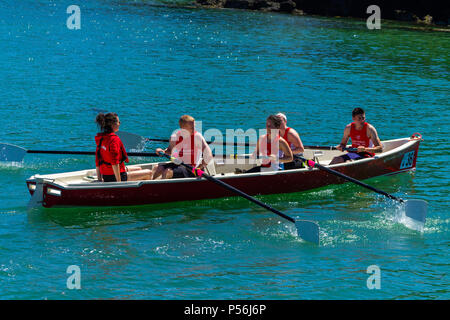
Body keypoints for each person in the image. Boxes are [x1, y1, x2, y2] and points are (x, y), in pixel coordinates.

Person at [95, 113, 152, 182]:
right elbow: (114, 162)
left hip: (106, 175)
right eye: (118, 122)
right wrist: (119, 182)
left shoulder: (101, 138)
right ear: (112, 124)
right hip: (116, 176)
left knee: (139, 168)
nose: (120, 123)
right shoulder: (114, 140)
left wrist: (99, 179)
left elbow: (97, 159)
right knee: (149, 172)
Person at [152, 115, 213, 179]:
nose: (194, 129)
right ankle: (151, 184)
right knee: (158, 168)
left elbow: (209, 155)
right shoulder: (175, 137)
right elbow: (169, 151)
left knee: (167, 172)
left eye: (194, 127)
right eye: (192, 128)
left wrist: (200, 167)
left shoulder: (197, 137)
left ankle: (161, 186)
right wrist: (162, 151)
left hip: (191, 169)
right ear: (183, 128)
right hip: (178, 165)